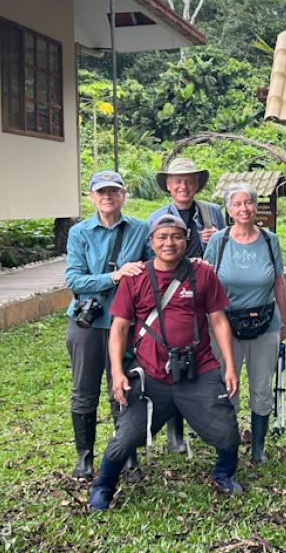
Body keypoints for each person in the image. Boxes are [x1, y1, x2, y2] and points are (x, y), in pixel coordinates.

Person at [88, 214, 243, 510]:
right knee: (124, 439)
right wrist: (118, 371)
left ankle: (224, 474)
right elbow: (119, 327)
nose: (169, 243)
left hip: (199, 369)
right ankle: (103, 486)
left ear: (186, 241)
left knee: (226, 431)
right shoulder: (136, 278)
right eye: (162, 237)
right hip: (150, 376)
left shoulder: (203, 273)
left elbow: (219, 321)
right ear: (152, 242)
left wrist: (230, 367)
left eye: (175, 236)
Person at [63, 170, 148, 479]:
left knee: (123, 388)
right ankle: (84, 457)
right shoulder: (80, 232)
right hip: (87, 323)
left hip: (125, 323)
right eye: (101, 192)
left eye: (113, 191)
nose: (107, 197)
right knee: (84, 389)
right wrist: (115, 275)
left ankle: (126, 455)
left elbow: (155, 266)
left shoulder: (140, 229)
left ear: (123, 194)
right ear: (91, 197)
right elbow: (73, 278)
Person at [205, 183, 286, 464]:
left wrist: (285, 323)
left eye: (249, 203)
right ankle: (227, 446)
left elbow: (279, 282)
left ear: (256, 207)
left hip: (265, 323)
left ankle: (258, 447)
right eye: (238, 204)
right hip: (224, 325)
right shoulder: (219, 241)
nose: (244, 208)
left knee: (262, 386)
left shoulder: (269, 240)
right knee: (226, 385)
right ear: (229, 210)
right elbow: (206, 281)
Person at [148, 157, 226, 455]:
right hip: (169, 300)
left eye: (189, 180)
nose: (184, 186)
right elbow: (152, 258)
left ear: (197, 184)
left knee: (201, 360)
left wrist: (211, 241)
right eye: (177, 181)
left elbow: (223, 251)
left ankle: (202, 420)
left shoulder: (212, 213)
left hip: (204, 296)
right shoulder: (157, 217)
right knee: (172, 362)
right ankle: (174, 432)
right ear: (168, 186)